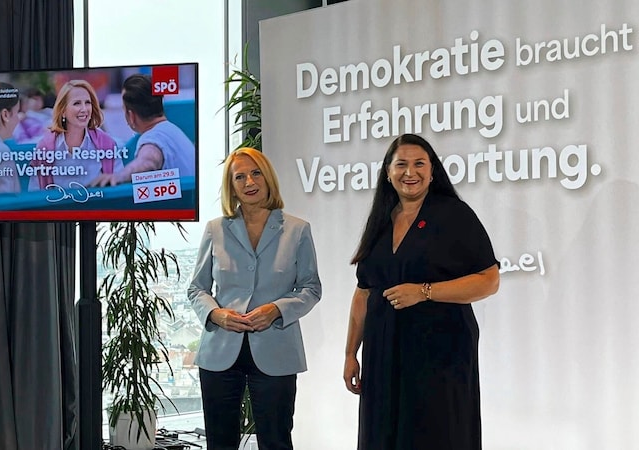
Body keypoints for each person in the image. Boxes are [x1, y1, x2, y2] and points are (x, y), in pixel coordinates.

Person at [343, 133, 500, 450]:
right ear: (388, 172)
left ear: (432, 171)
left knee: (436, 434)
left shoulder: (454, 214)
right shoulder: (381, 222)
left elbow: (489, 280)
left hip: (440, 355)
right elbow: (363, 293)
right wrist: (350, 353)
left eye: (419, 164)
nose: (409, 173)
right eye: (401, 164)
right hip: (383, 353)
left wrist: (425, 291)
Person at [188, 148, 321, 450]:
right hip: (220, 351)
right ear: (231, 187)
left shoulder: (298, 230)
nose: (249, 181)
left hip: (276, 349)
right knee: (220, 443)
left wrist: (277, 309)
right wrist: (216, 314)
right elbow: (196, 288)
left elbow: (311, 288)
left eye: (256, 172)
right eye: (240, 176)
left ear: (268, 178)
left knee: (276, 440)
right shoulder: (215, 229)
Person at [89, 73, 195, 186]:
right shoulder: (172, 131)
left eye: (124, 109)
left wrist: (119, 176)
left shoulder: (153, 137)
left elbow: (148, 160)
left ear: (131, 116)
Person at [28, 79, 118, 190]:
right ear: (63, 111)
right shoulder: (44, 148)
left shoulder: (107, 144)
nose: (84, 109)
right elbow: (35, 193)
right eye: (77, 103)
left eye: (87, 103)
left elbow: (119, 186)